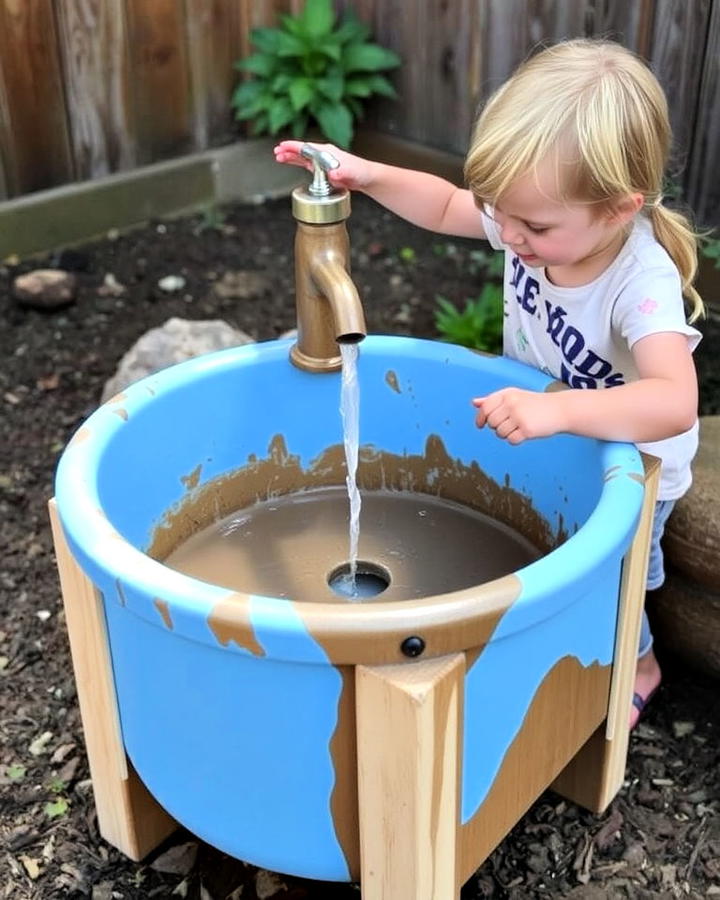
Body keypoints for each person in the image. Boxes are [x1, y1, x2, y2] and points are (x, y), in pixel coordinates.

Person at [274, 38, 704, 729]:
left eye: (530, 225)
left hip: (632, 465)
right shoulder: (534, 216)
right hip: (546, 425)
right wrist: (368, 174)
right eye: (499, 212)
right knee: (547, 560)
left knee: (615, 586)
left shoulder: (639, 284)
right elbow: (446, 205)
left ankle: (643, 664)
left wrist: (559, 413)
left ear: (620, 210)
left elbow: (674, 401)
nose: (506, 234)